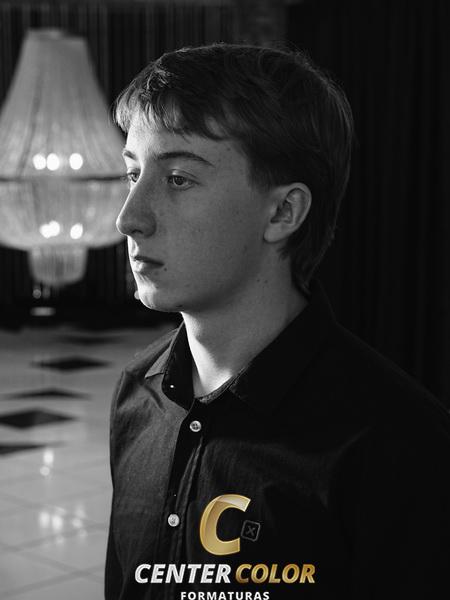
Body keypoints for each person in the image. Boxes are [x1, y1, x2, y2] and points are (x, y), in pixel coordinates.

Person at [105, 43, 450, 600]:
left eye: (179, 179)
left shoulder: (399, 444)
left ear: (283, 212)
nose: (129, 218)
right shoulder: (134, 395)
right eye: (132, 173)